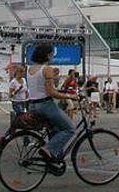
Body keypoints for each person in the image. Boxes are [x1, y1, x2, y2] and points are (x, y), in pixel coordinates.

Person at [24, 43, 79, 174]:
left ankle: (53, 161)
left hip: (32, 105)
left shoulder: (30, 69)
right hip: (45, 106)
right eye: (52, 54)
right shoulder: (46, 69)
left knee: (55, 130)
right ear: (48, 55)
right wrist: (70, 96)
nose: (52, 56)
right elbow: (50, 93)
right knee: (70, 128)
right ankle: (48, 149)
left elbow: (42, 89)